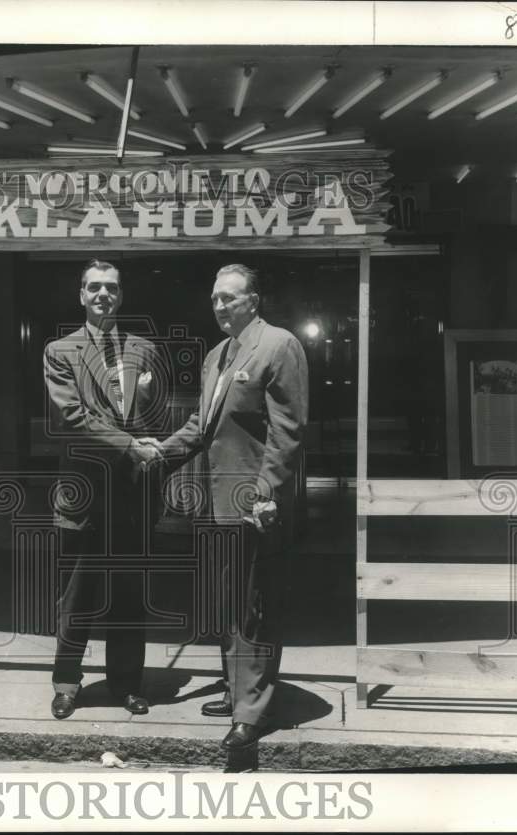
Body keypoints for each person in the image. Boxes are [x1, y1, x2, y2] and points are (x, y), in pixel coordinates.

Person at [141, 263, 308, 751]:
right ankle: (239, 693)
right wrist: (160, 452)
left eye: (229, 298)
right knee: (228, 602)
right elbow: (201, 425)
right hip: (215, 503)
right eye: (215, 298)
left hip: (254, 502)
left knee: (255, 606)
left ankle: (249, 716)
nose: (219, 305)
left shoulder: (279, 345)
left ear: (253, 301)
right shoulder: (217, 355)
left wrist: (267, 492)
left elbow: (288, 431)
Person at [44, 259, 165, 720]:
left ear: (121, 295)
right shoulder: (61, 351)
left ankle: (128, 684)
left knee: (130, 593)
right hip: (84, 493)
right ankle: (66, 683)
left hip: (132, 495)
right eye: (94, 288)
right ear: (81, 295)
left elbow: (153, 422)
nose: (102, 295)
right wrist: (130, 444)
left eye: (111, 288)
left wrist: (148, 417)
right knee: (77, 593)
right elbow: (69, 418)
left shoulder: (144, 350)